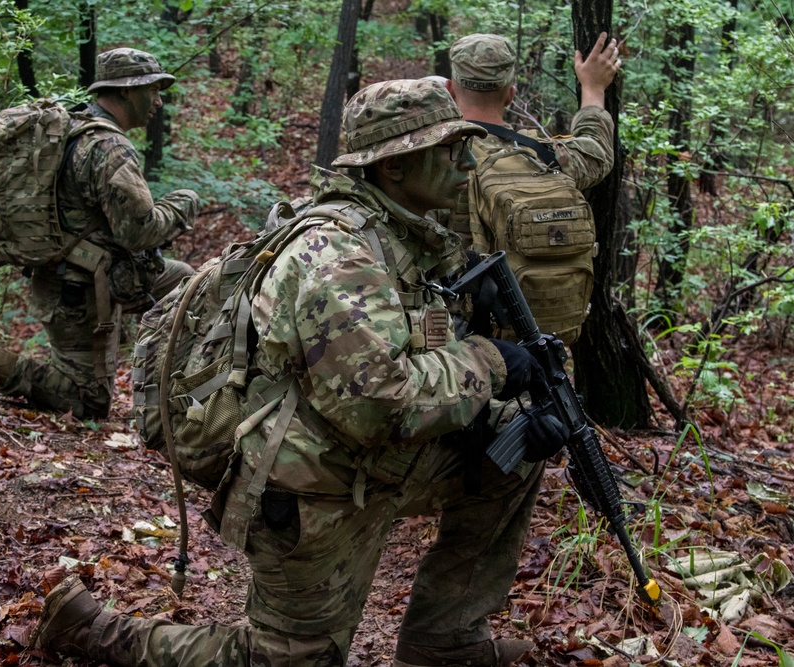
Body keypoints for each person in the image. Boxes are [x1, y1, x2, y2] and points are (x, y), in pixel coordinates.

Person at [30, 79, 569, 667]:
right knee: (286, 659)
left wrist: (503, 414)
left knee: (510, 455)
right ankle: (93, 630)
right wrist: (491, 363)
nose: (466, 160)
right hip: (309, 489)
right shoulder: (338, 256)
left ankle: (446, 642)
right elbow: (378, 404)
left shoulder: (404, 240)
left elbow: (412, 365)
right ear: (392, 167)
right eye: (447, 149)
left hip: (366, 463)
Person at [0, 47, 199, 420]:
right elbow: (139, 232)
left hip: (89, 278)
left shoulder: (76, 131)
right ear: (124, 91)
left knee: (187, 285)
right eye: (151, 89)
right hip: (76, 292)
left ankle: (172, 390)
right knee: (87, 404)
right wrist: (183, 204)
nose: (157, 100)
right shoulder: (108, 146)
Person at [443, 33, 620, 343]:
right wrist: (593, 87)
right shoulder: (542, 157)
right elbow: (597, 150)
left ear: (449, 89)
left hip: (457, 349)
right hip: (533, 345)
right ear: (511, 94)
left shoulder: (434, 161)